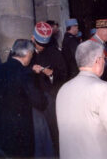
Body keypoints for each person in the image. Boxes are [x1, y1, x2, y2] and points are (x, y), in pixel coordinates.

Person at [0, 39, 48, 158]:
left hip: (0, 131)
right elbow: (39, 102)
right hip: (19, 135)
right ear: (28, 54)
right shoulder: (25, 74)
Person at [30, 22, 67, 156]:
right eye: (38, 44)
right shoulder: (24, 48)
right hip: (30, 101)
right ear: (32, 38)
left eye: (43, 45)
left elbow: (63, 73)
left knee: (52, 133)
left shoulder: (53, 51)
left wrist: (51, 74)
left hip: (49, 100)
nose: (40, 47)